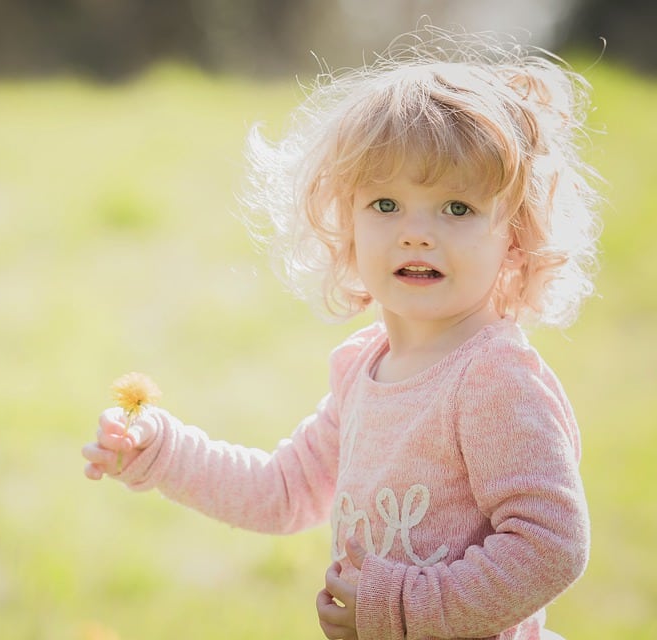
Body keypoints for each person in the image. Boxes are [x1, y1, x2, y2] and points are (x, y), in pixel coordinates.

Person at [81, 26, 600, 640]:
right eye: (385, 205)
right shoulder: (364, 368)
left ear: (513, 235)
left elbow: (551, 542)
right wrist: (162, 452)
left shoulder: (492, 377)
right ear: (344, 223)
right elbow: (282, 491)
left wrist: (402, 606)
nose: (416, 233)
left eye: (457, 208)